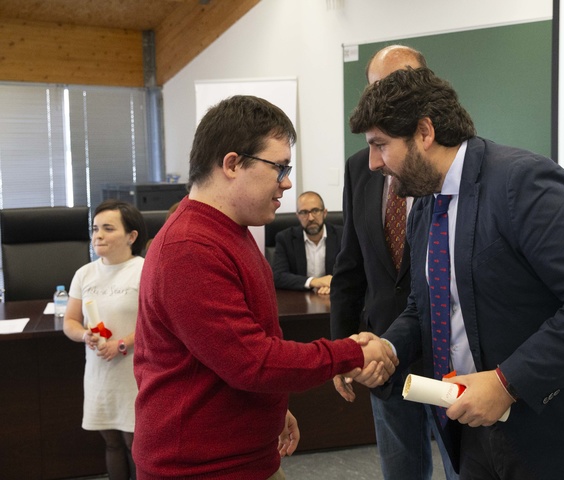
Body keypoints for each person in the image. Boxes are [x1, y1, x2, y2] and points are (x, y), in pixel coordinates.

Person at [348, 67, 564, 479]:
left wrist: (507, 383)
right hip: (476, 430)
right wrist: (389, 348)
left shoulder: (521, 181)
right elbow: (427, 304)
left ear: (425, 133)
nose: (374, 162)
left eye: (381, 145)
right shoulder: (426, 203)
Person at [132, 94, 398, 480]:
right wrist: (350, 353)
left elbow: (238, 348)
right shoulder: (189, 248)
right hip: (199, 468)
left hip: (242, 457)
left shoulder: (232, 231)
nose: (287, 182)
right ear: (232, 164)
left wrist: (272, 409)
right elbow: (251, 361)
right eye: (279, 167)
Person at [331, 45, 457, 480]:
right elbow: (350, 265)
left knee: (471, 466)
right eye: (380, 88)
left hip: (452, 356)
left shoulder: (455, 170)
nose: (391, 96)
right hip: (384, 351)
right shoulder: (361, 166)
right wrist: (342, 349)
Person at [63, 199, 148, 480]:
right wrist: (84, 334)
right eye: (95, 228)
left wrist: (122, 344)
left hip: (135, 371)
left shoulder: (145, 270)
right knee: (111, 442)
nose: (97, 235)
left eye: (107, 228)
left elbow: (156, 323)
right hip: (101, 372)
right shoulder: (85, 273)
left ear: (131, 236)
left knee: (135, 444)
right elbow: (70, 322)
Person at [272, 191, 342, 294]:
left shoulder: (343, 236)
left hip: (333, 297)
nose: (310, 218)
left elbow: (355, 272)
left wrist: (335, 284)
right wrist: (314, 281)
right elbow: (278, 276)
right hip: (299, 301)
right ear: (298, 216)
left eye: (315, 211)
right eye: (304, 212)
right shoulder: (285, 238)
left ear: (325, 213)